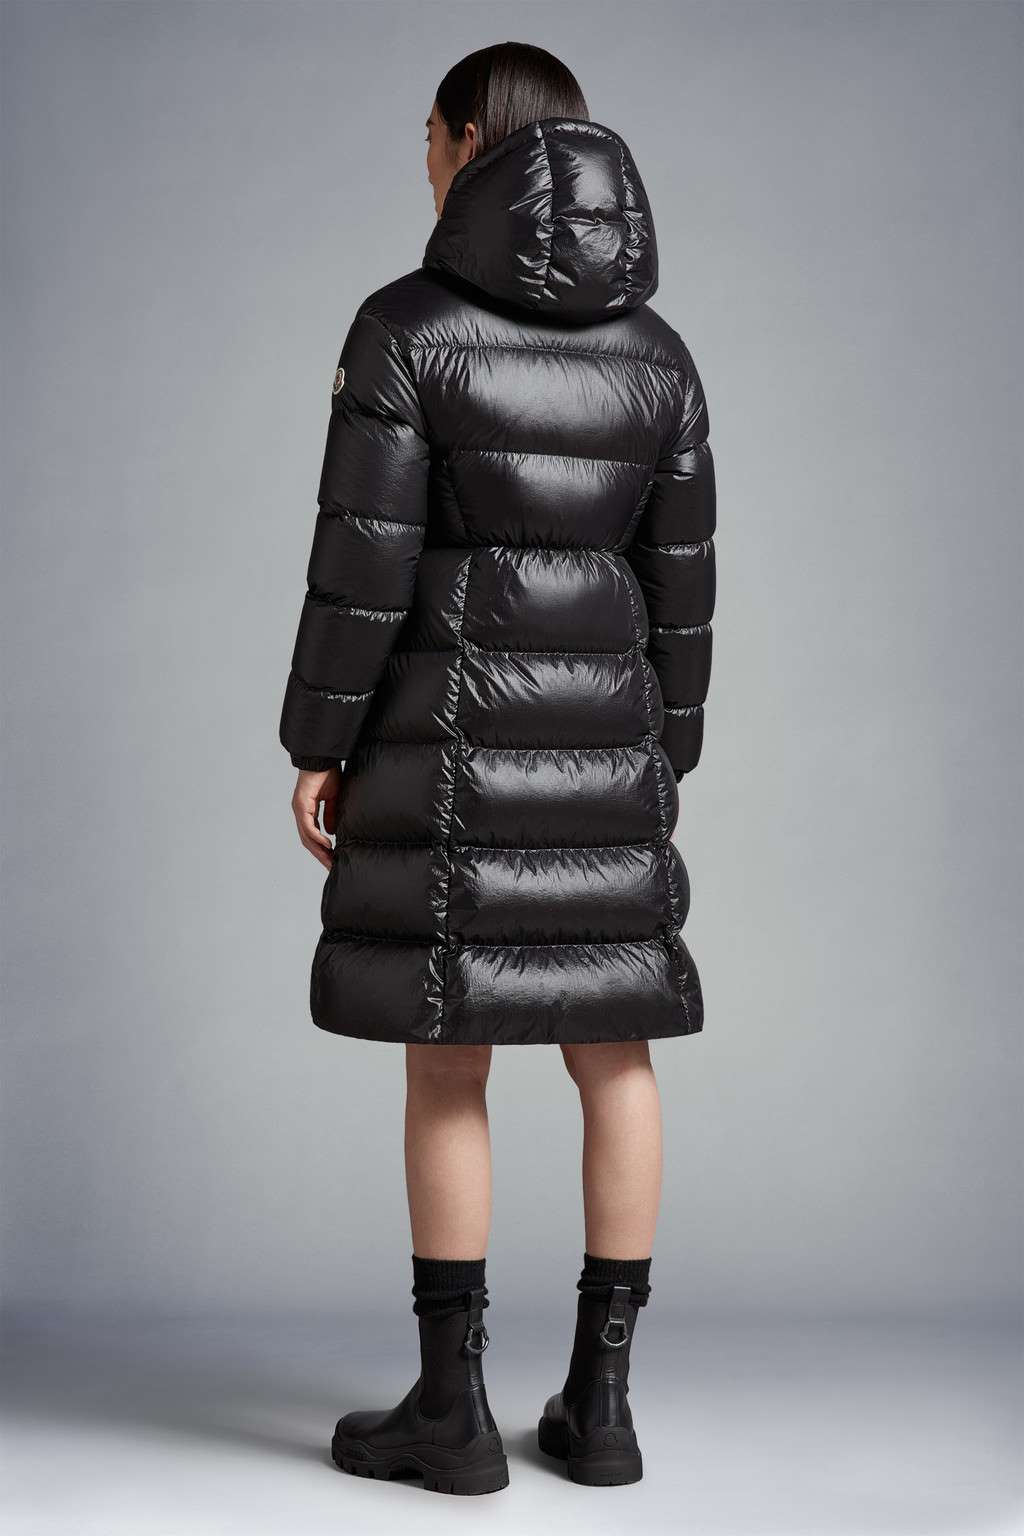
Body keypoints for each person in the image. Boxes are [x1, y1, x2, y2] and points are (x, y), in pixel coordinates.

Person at [279, 40, 716, 1495]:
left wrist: (319, 744)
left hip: (443, 753)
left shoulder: (404, 330)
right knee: (616, 1052)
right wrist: (664, 755)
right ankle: (604, 1407)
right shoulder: (660, 354)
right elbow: (683, 587)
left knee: (448, 1057)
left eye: (427, 133)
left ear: (471, 141)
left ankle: (451, 1414)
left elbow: (363, 564)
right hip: (611, 755)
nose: (419, 157)